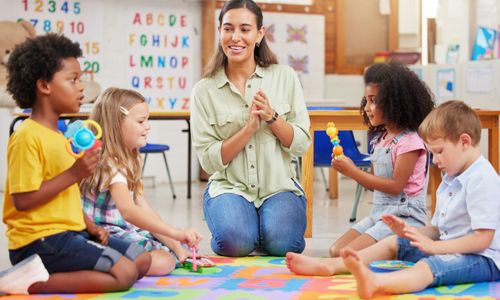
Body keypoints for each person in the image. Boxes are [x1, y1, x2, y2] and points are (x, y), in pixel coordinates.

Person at [286, 101, 500, 298]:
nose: (435, 160)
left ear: (465, 141)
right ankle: (331, 266)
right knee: (393, 243)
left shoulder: (482, 178)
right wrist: (409, 233)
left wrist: (435, 248)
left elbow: (483, 239)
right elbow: (438, 230)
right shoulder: (451, 177)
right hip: (449, 246)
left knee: (430, 265)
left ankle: (378, 283)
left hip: (483, 259)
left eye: (439, 152)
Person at [3, 33, 151, 295]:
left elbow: (63, 196)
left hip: (69, 233)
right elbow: (22, 200)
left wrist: (89, 226)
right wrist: (75, 173)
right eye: (72, 80)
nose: (81, 87)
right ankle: (23, 281)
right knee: (124, 273)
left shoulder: (60, 137)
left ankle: (52, 271)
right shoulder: (26, 136)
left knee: (141, 258)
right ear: (44, 86)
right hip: (38, 241)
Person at [190, 0, 311, 257]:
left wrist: (272, 117)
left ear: (259, 34)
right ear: (220, 32)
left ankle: (262, 228)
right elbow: (209, 162)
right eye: (228, 29)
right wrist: (247, 129)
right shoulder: (204, 90)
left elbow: (301, 144)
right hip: (229, 188)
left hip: (278, 187)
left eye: (245, 29)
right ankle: (244, 227)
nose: (235, 37)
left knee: (283, 245)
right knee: (235, 244)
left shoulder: (285, 76)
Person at [81, 87, 203, 276]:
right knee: (164, 262)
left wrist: (176, 245)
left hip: (121, 229)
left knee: (168, 251)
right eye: (141, 121)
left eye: (147, 119)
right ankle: (104, 264)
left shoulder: (130, 157)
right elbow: (129, 211)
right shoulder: (109, 163)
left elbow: (143, 209)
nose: (148, 126)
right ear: (116, 123)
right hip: (103, 234)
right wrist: (176, 234)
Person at [323, 61, 435, 257]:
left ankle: (404, 246)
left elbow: (395, 186)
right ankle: (388, 250)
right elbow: (375, 185)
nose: (367, 107)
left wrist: (353, 172)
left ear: (396, 103)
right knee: (335, 251)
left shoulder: (410, 142)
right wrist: (347, 166)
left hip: (404, 218)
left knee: (346, 255)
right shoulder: (380, 140)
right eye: (366, 100)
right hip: (379, 215)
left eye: (373, 100)